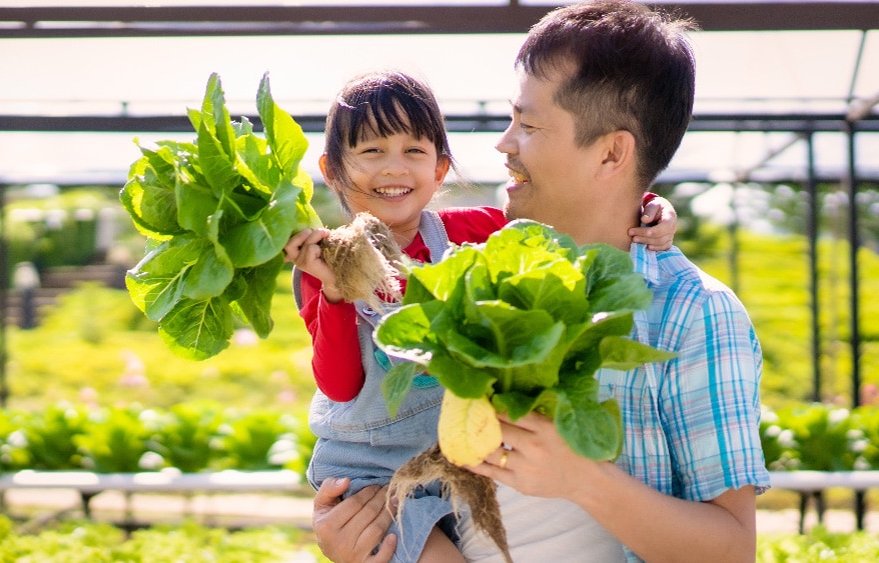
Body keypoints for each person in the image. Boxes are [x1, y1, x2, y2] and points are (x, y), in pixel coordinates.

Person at [310, 1, 771, 562]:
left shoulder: (691, 312)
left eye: (527, 125)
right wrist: (364, 540)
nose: (503, 144)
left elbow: (731, 551)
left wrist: (582, 479)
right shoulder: (477, 276)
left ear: (611, 153)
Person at [288, 69, 678, 563]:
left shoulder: (472, 230)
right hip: (372, 472)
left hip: (458, 455)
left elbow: (571, 214)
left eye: (414, 151)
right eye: (371, 151)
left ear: (440, 169)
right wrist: (338, 292)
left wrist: (648, 205)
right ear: (333, 169)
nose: (395, 168)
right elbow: (340, 386)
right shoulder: (319, 266)